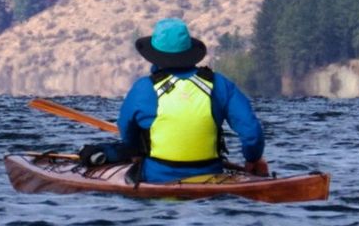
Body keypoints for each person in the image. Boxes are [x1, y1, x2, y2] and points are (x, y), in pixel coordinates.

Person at [82, 17, 268, 182]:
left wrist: (135, 152)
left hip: (157, 177)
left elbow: (127, 131)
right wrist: (253, 159)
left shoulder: (143, 88)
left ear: (154, 55)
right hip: (212, 176)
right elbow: (252, 131)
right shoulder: (220, 84)